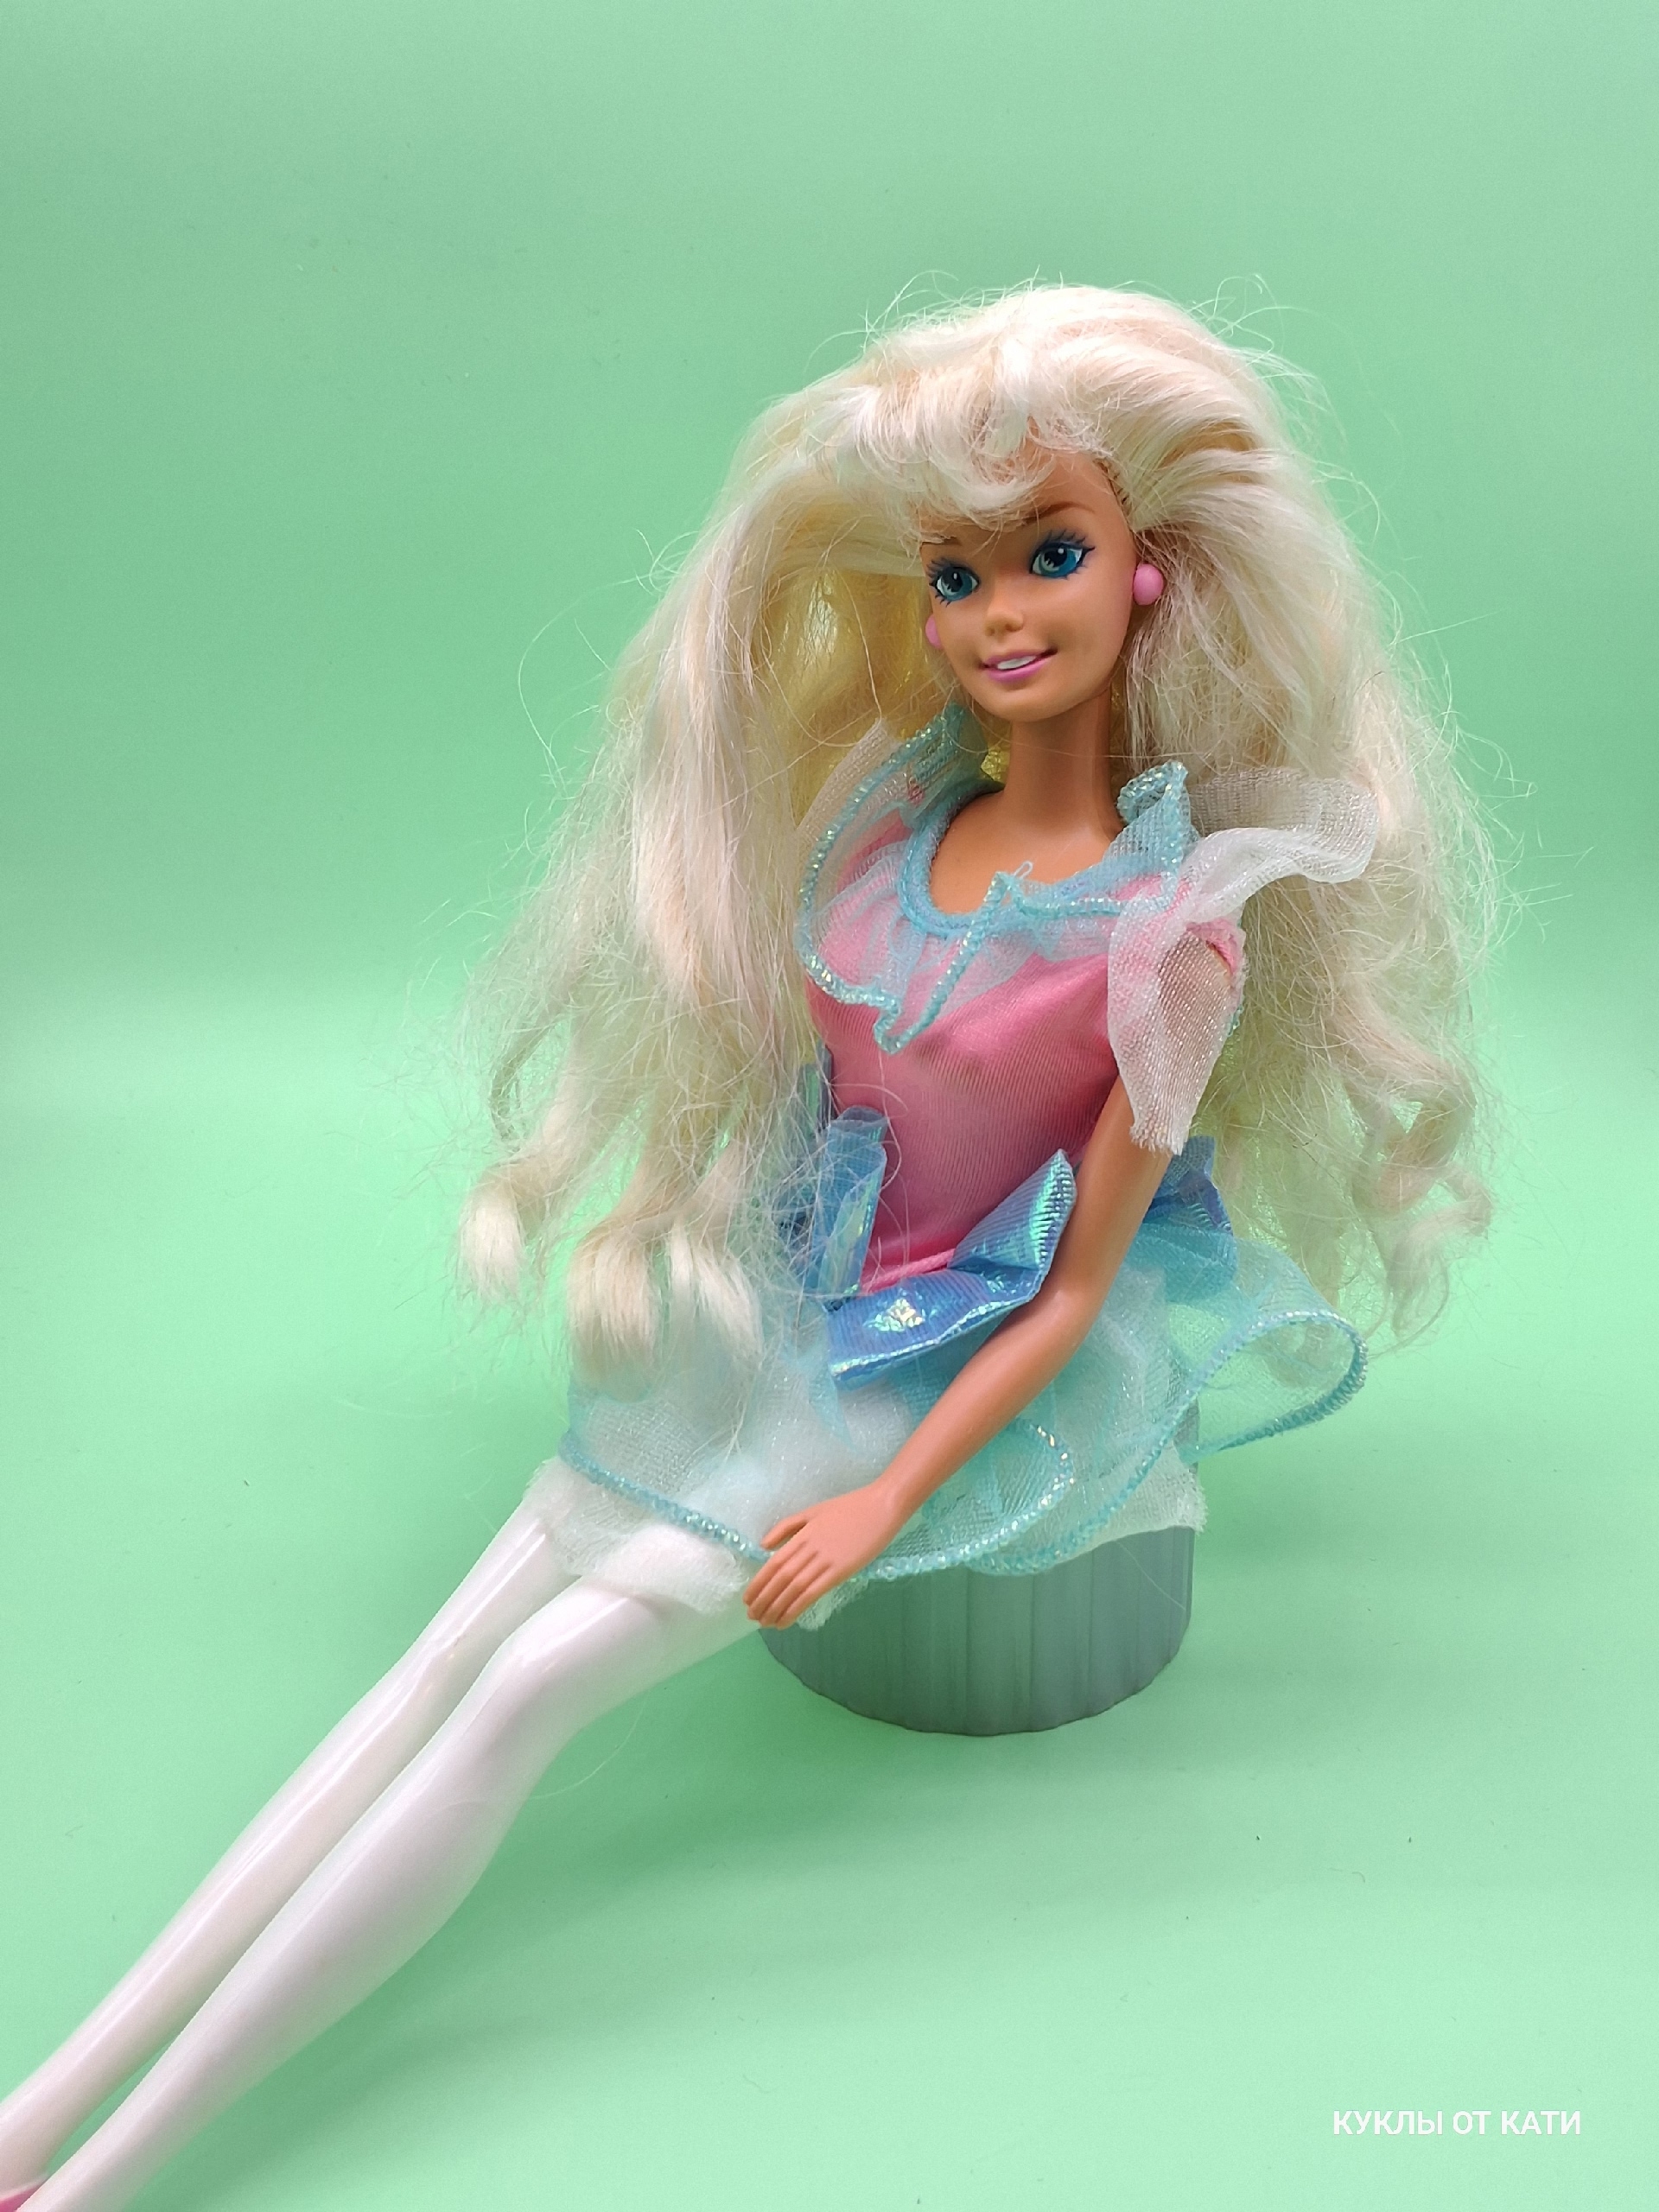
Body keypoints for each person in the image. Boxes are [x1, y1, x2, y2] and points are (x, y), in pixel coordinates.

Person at [0, 286, 1491, 2212]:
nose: (1000, 611)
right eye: (956, 573)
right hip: (772, 1314)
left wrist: (884, 1505)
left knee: (528, 1693)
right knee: (449, 1649)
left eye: (1050, 552)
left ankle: (104, 2171)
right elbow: (821, 1099)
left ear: (1152, 573)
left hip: (922, 1379)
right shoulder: (892, 825)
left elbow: (1076, 1288)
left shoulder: (1169, 928)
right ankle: (50, 2103)